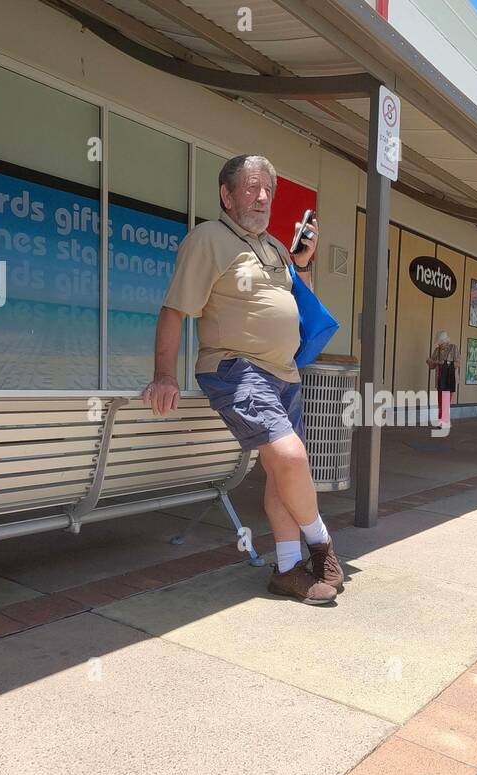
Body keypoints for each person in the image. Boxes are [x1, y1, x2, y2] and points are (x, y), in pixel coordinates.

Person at [144, 154, 341, 605]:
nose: (262, 196)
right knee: (290, 457)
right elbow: (174, 309)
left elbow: (295, 303)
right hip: (237, 367)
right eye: (251, 188)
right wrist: (163, 376)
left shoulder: (273, 246)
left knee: (280, 473)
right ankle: (322, 544)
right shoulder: (209, 239)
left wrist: (302, 262)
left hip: (285, 373)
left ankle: (288, 570)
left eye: (267, 189)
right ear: (226, 195)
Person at [426, 330, 458, 426]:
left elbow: (458, 363)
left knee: (445, 402)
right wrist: (429, 362)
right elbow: (432, 367)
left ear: (445, 341)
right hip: (440, 379)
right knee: (440, 402)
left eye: (441, 343)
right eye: (439, 343)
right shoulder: (437, 350)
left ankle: (443, 421)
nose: (440, 345)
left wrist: (443, 363)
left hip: (449, 379)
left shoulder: (453, 348)